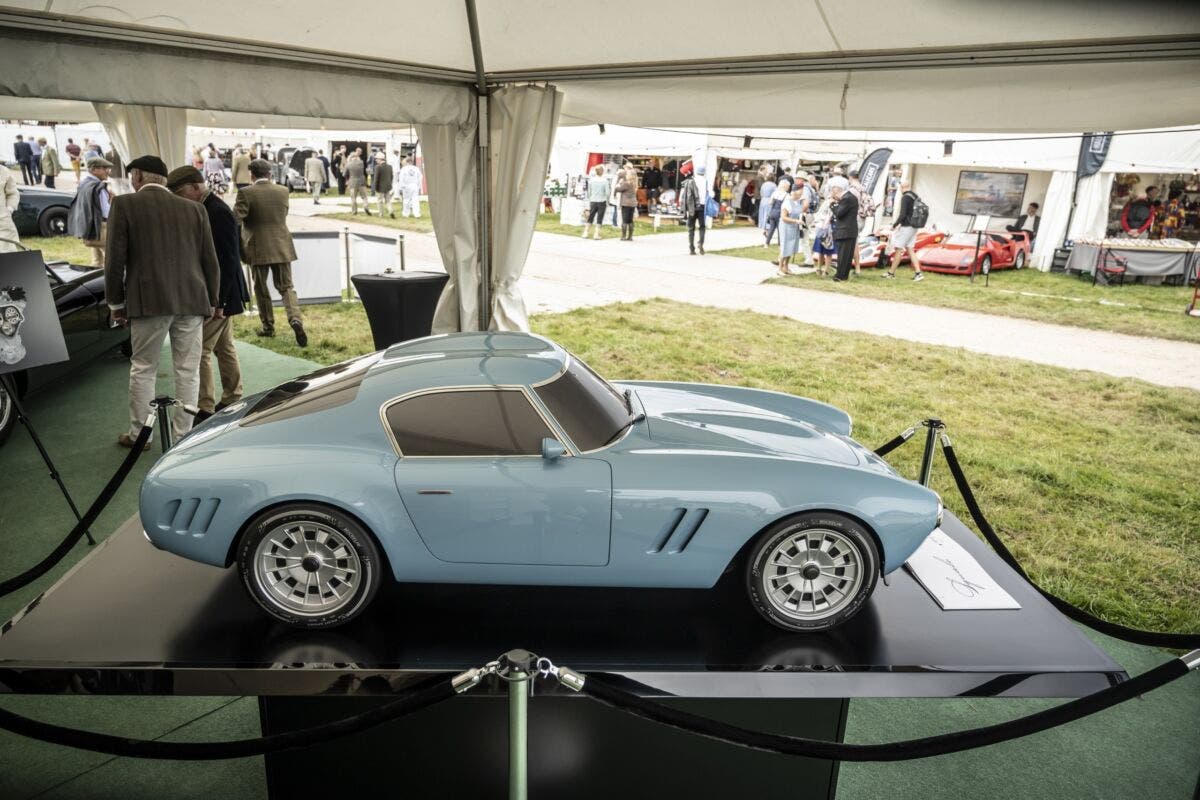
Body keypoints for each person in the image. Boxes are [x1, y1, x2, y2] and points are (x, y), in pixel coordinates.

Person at [104, 155, 220, 449]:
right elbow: (210, 261)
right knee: (188, 370)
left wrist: (116, 303)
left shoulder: (124, 205)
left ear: (140, 176)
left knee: (143, 368)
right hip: (192, 300)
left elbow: (115, 261)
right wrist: (212, 300)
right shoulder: (195, 209)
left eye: (133, 175)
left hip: (148, 301)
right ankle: (184, 436)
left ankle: (140, 436)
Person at [166, 166, 251, 422]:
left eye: (181, 192)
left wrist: (219, 301)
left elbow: (227, 259)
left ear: (195, 186)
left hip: (222, 295)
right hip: (225, 294)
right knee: (224, 348)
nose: (180, 199)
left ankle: (204, 408)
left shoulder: (216, 212)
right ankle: (233, 397)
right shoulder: (209, 208)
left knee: (200, 349)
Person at [236, 159, 307, 346]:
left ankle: (268, 326)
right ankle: (295, 319)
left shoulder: (246, 193)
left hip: (257, 246)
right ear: (270, 174)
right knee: (286, 287)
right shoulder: (283, 191)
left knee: (261, 288)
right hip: (282, 244)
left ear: (252, 175)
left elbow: (236, 218)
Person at [72, 156, 113, 267]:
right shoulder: (98, 187)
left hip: (90, 226)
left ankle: (96, 281)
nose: (107, 171)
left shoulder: (84, 183)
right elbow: (106, 212)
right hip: (102, 226)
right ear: (94, 169)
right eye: (105, 168)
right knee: (111, 259)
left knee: (96, 260)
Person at [882, 181, 924, 281]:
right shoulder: (915, 196)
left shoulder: (905, 197)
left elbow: (903, 214)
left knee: (898, 249)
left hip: (906, 227)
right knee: (910, 249)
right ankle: (918, 273)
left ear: (901, 187)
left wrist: (895, 225)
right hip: (914, 226)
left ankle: (891, 273)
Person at [830, 183, 859, 282]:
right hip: (850, 230)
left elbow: (839, 213)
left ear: (836, 192)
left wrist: (832, 204)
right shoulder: (851, 197)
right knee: (847, 255)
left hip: (845, 230)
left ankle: (839, 276)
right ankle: (844, 275)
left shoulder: (846, 198)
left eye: (834, 196)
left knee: (843, 255)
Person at [680, 165, 710, 256]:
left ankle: (691, 248)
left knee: (691, 228)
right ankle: (700, 243)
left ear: (696, 172)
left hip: (692, 207)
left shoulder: (690, 182)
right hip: (702, 207)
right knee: (702, 227)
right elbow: (709, 194)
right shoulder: (706, 182)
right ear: (704, 173)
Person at [778, 185, 806, 276]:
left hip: (794, 227)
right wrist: (796, 221)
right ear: (793, 192)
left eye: (801, 194)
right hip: (786, 227)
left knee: (791, 247)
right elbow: (783, 217)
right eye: (799, 194)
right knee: (785, 247)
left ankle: (786, 267)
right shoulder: (787, 203)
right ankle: (779, 268)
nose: (800, 196)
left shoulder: (797, 202)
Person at [581, 164, 610, 240]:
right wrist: (608, 200)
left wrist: (591, 198)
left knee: (591, 216)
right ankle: (596, 234)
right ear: (602, 172)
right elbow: (607, 193)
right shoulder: (605, 181)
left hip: (593, 201)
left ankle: (585, 232)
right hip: (602, 201)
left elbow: (589, 192)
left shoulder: (591, 180)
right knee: (599, 218)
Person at [763, 179, 790, 247]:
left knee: (771, 229)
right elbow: (787, 206)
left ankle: (766, 243)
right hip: (780, 213)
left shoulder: (775, 193)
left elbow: (770, 203)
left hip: (772, 213)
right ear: (786, 187)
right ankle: (780, 245)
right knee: (780, 230)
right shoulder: (786, 195)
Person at [344, 148, 369, 215]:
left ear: (350, 157)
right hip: (361, 182)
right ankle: (365, 206)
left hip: (352, 182)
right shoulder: (361, 163)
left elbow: (344, 174)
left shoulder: (348, 164)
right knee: (364, 196)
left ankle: (354, 211)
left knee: (353, 198)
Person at [0, 162, 19, 252]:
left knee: (7, 253)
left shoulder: (4, 171)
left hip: (2, 221)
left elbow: (13, 193)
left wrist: (10, 209)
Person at [616, 166, 638, 241]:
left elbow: (618, 189)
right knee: (630, 220)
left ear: (629, 176)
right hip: (633, 203)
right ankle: (630, 236)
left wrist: (618, 183)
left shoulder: (626, 183)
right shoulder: (635, 183)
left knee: (625, 220)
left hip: (626, 203)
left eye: (627, 174)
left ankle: (623, 236)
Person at [372, 152, 394, 218]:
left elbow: (376, 179)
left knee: (379, 201)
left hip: (380, 187)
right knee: (388, 201)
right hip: (388, 187)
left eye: (376, 159)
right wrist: (389, 184)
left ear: (380, 159)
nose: (376, 160)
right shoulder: (390, 166)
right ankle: (391, 211)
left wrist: (375, 188)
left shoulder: (377, 167)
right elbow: (391, 177)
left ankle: (381, 214)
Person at [757, 169, 777, 238]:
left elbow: (761, 193)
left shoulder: (764, 184)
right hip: (769, 200)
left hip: (763, 200)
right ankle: (767, 231)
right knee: (768, 215)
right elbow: (775, 194)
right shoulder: (774, 185)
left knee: (763, 214)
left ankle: (764, 229)